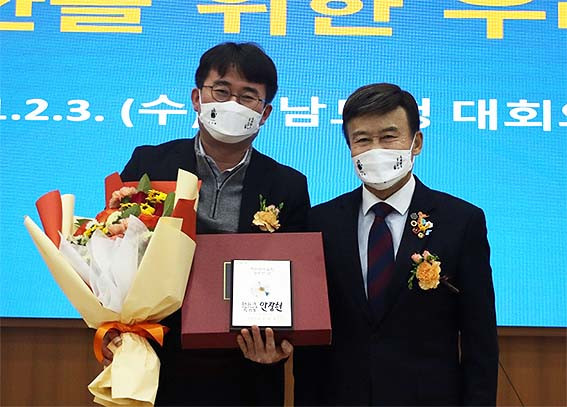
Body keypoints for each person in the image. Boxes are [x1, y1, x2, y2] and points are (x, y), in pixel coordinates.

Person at [103, 42, 310, 406]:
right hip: (156, 357)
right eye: (222, 91)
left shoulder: (288, 185)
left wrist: (278, 342)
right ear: (197, 98)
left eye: (248, 96)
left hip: (246, 367)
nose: (233, 105)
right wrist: (112, 326)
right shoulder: (150, 163)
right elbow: (113, 250)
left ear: (264, 113)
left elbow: (297, 280)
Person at [294, 83, 498, 406]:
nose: (376, 150)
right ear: (349, 147)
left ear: (416, 142)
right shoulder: (322, 221)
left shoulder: (461, 221)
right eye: (363, 139)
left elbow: (480, 339)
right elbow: (312, 341)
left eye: (389, 137)